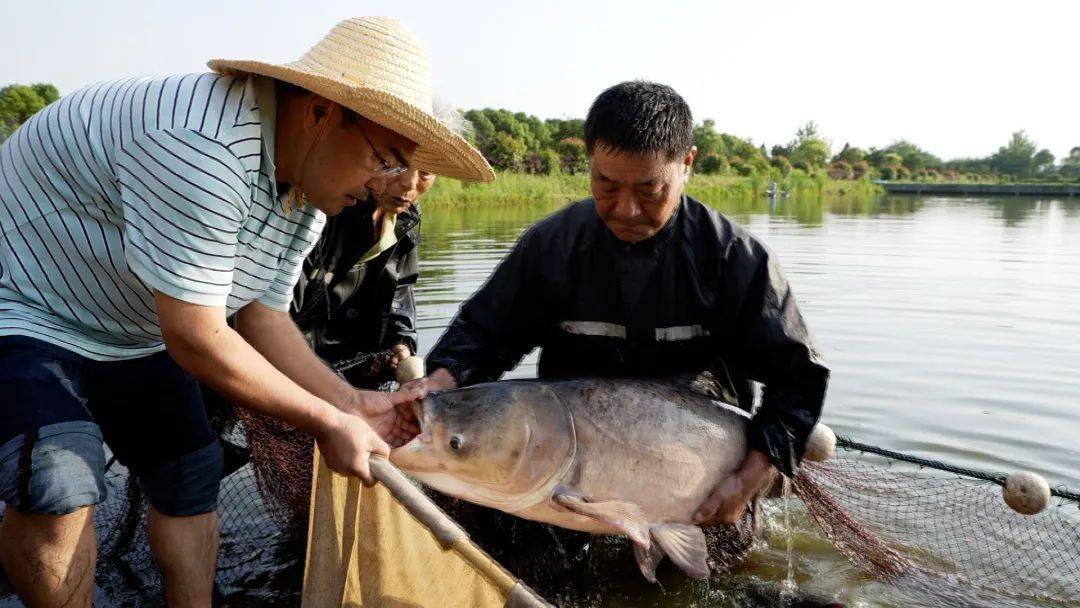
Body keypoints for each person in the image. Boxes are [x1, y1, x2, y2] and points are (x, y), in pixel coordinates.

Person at [0, 17, 492, 608]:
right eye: (385, 158)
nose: (390, 183)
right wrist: (326, 422)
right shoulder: (200, 145)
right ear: (319, 113)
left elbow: (262, 317)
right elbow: (196, 336)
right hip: (25, 308)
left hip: (129, 328)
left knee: (190, 470)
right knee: (56, 484)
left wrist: (352, 403)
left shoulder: (305, 192)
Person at [416, 81, 829, 528]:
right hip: (575, 460)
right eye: (606, 186)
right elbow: (483, 334)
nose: (626, 210)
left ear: (686, 164)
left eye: (649, 190)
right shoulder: (552, 246)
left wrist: (747, 479)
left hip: (698, 467)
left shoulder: (733, 258)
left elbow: (798, 378)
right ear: (590, 164)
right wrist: (435, 389)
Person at [291, 165, 436, 388]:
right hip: (295, 371)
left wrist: (401, 344)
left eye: (425, 171)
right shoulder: (322, 212)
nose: (409, 183)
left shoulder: (404, 219)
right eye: (399, 165)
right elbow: (275, 315)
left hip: (355, 379)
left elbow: (401, 295)